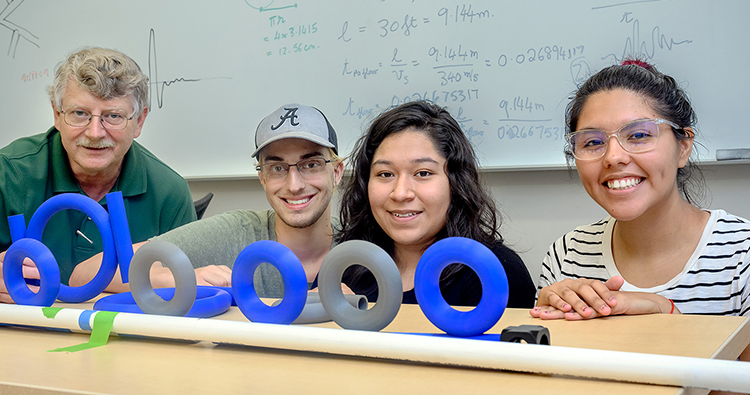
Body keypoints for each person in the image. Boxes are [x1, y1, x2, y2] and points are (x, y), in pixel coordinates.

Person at [531, 60, 750, 361]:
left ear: (683, 147)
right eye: (593, 142)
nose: (614, 157)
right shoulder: (567, 253)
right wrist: (543, 333)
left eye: (638, 135)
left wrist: (668, 315)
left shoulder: (742, 254)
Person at [70, 103, 344, 298]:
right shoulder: (236, 232)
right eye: (277, 168)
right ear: (262, 179)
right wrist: (180, 278)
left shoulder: (362, 241)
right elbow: (86, 273)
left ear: (337, 172)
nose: (294, 185)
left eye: (311, 165)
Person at [0, 47, 196, 302]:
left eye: (113, 116)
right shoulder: (8, 173)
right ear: (57, 115)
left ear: (139, 121)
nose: (94, 133)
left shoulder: (169, 192)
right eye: (79, 113)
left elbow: (187, 292)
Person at [335, 100, 536, 307]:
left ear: (455, 182)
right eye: (385, 174)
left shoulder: (492, 271)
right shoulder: (346, 267)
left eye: (423, 173)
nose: (401, 193)